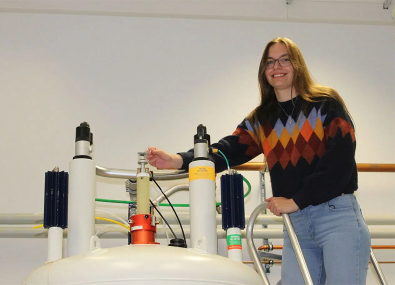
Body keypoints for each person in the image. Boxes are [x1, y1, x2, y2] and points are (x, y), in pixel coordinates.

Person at [146, 37, 371, 285]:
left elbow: (340, 162)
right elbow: (227, 150)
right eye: (270, 62)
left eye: (285, 59)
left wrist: (297, 200)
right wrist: (179, 160)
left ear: (298, 65)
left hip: (335, 216)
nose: (277, 67)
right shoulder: (262, 119)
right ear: (263, 71)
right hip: (296, 223)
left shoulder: (325, 103)